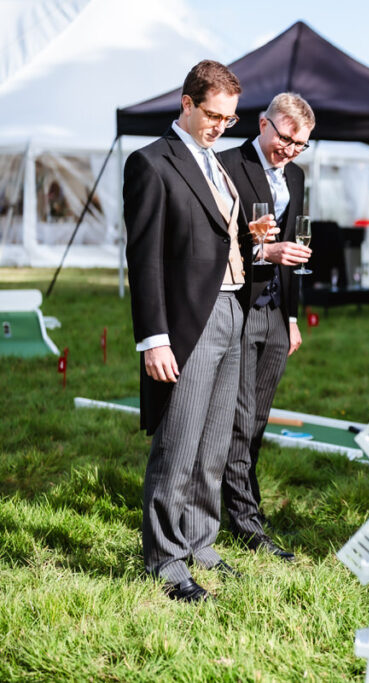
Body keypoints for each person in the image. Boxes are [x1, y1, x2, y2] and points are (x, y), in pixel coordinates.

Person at [124, 60, 246, 602]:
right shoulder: (151, 163)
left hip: (232, 311)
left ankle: (200, 541)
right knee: (178, 444)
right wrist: (154, 338)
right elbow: (144, 258)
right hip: (185, 322)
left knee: (214, 441)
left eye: (230, 118)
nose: (221, 126)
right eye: (213, 115)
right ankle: (165, 560)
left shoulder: (216, 163)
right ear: (187, 103)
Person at [219, 93, 314, 561]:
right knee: (238, 418)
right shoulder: (226, 165)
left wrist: (292, 317)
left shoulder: (295, 175)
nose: (290, 150)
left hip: (277, 314)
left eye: (300, 145)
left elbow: (293, 248)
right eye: (286, 138)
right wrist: (263, 253)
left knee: (256, 419)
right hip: (235, 306)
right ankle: (246, 523)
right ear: (263, 125)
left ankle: (236, 507)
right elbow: (216, 242)